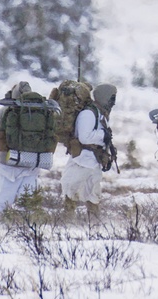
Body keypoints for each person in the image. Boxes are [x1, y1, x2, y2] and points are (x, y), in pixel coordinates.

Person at [0, 81, 41, 218]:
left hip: (10, 161)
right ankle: (27, 228)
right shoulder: (41, 110)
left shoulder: (8, 109)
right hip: (33, 162)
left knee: (1, 201)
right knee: (28, 204)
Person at [62, 83, 116, 217]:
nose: (113, 102)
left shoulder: (100, 113)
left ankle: (94, 224)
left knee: (93, 194)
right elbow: (84, 137)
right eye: (111, 98)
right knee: (71, 191)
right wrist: (103, 136)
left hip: (93, 161)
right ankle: (67, 222)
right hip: (82, 160)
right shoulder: (88, 113)